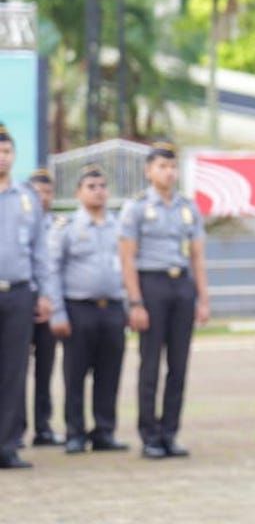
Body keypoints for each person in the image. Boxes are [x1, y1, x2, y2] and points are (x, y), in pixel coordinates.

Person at [119, 141, 210, 459]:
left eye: (172, 167)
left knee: (179, 364)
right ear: (149, 170)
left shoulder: (188, 207)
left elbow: (197, 256)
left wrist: (202, 299)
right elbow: (127, 259)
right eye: (162, 166)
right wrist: (135, 302)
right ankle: (150, 435)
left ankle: (170, 432)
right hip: (151, 285)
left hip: (181, 285)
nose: (168, 172)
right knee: (150, 364)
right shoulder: (138, 207)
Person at [46, 165, 128, 454]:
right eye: (91, 187)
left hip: (113, 308)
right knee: (76, 374)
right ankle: (75, 432)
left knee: (110, 373)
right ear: (78, 193)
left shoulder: (119, 227)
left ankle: (104, 431)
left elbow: (129, 269)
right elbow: (52, 270)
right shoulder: (67, 227)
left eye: (102, 186)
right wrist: (57, 312)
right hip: (79, 309)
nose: (98, 191)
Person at [0, 124, 51, 469]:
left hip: (18, 292)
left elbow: (40, 250)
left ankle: (7, 444)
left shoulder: (26, 198)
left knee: (14, 371)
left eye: (7, 151)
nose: (2, 157)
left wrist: (44, 294)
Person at [23, 168, 63, 448]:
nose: (43, 198)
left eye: (48, 193)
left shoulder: (60, 226)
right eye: (38, 193)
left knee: (45, 370)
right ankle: (13, 428)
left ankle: (43, 427)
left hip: (48, 306)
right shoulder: (17, 222)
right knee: (14, 370)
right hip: (21, 302)